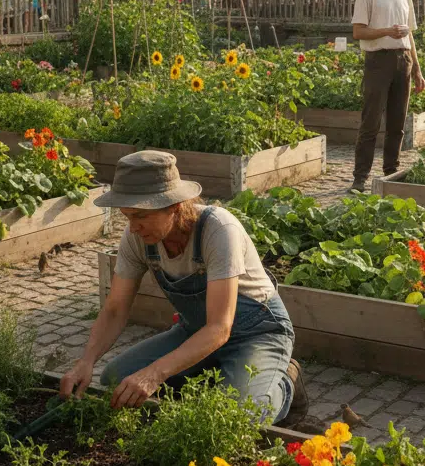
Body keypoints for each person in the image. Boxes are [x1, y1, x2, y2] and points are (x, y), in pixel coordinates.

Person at [58, 151, 307, 426]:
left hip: (257, 333)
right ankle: (221, 378)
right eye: (127, 216)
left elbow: (220, 328)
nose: (133, 227)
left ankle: (286, 385)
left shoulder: (218, 229)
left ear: (174, 206)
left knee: (237, 419)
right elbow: (116, 308)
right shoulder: (137, 237)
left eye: (140, 215)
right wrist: (87, 361)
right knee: (116, 380)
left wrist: (154, 374)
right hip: (196, 333)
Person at [350, 0, 425, 193]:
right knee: (370, 122)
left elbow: (409, 35)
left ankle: (391, 171)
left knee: (397, 122)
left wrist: (416, 69)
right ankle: (360, 177)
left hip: (403, 60)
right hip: (378, 61)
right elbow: (358, 32)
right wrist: (387, 33)